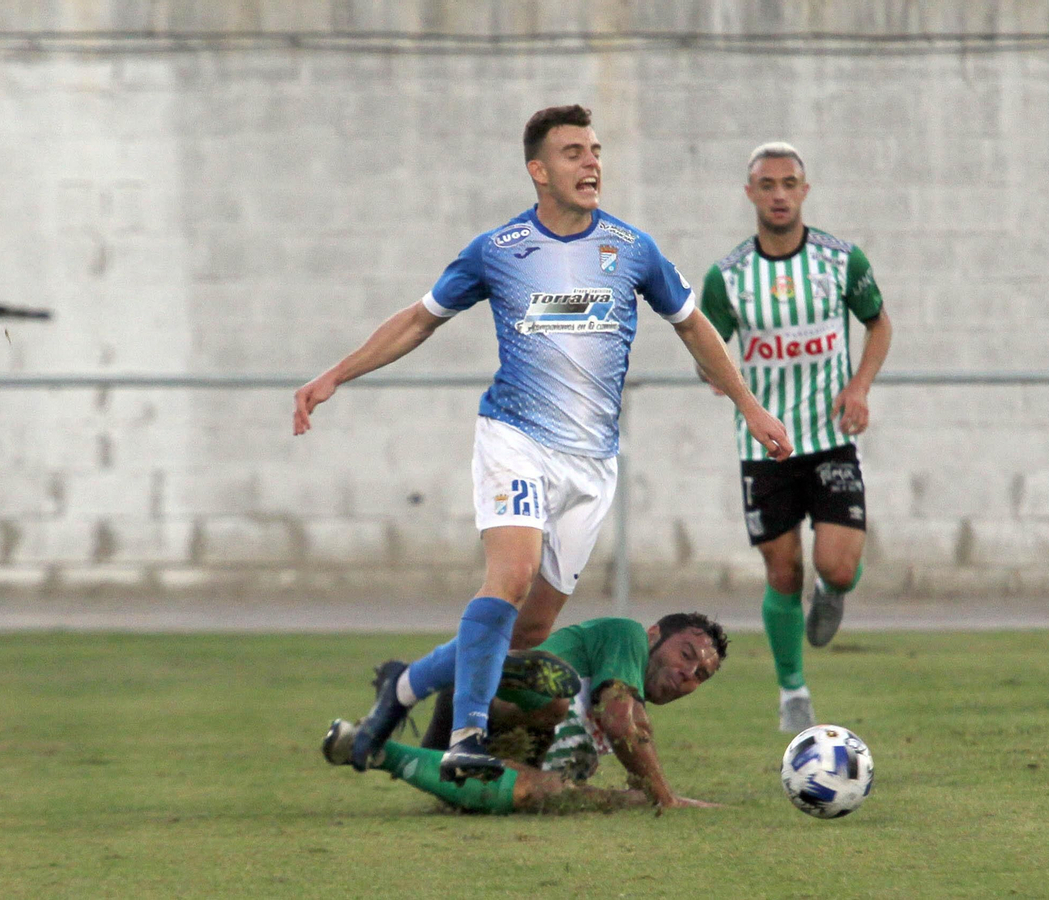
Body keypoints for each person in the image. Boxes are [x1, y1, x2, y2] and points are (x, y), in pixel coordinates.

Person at [293, 105, 790, 783]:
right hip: (516, 438)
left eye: (595, 151)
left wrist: (750, 404)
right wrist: (333, 375)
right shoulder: (497, 252)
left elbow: (694, 327)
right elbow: (419, 320)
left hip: (592, 465)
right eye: (572, 153)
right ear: (539, 171)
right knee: (511, 574)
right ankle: (466, 734)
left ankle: (402, 689)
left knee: (525, 634)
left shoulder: (631, 248)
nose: (591, 164)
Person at [698, 142, 892, 732]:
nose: (778, 194)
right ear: (750, 193)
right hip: (765, 445)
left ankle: (833, 594)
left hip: (830, 439)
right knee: (783, 574)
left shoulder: (841, 261)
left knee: (836, 566)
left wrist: (858, 387)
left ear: (804, 191)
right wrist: (720, 379)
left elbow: (878, 323)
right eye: (767, 184)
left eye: (789, 183)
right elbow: (706, 346)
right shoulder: (727, 277)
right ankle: (792, 693)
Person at [321, 613, 727, 812]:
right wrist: (666, 800)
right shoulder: (628, 635)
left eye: (701, 675)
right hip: (496, 712)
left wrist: (650, 798)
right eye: (686, 654)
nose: (687, 673)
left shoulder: (637, 706)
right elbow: (621, 721)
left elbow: (631, 726)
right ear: (655, 633)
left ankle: (369, 748)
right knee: (556, 703)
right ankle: (503, 678)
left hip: (475, 749)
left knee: (555, 794)